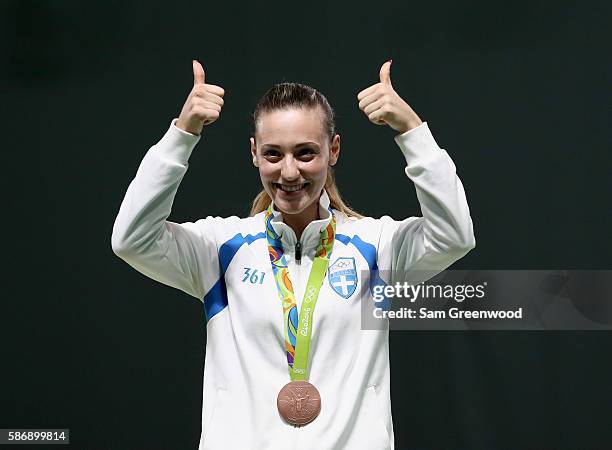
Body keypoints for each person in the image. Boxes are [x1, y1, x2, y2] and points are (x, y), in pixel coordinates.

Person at [111, 58, 475, 450]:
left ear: (333, 150)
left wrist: (412, 132)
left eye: (305, 153)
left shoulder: (376, 246)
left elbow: (453, 235)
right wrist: (182, 135)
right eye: (273, 154)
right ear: (253, 153)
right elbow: (133, 238)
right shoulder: (220, 247)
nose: (288, 173)